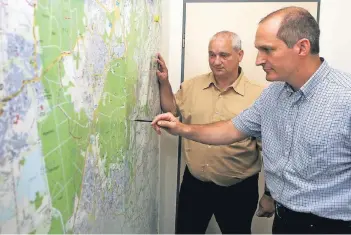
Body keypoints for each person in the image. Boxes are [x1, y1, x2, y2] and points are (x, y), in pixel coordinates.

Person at [152, 7, 351, 235]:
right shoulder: (273, 95)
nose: (258, 60)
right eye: (258, 50)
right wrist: (180, 128)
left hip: (332, 226)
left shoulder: (346, 98)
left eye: (267, 50)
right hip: (284, 220)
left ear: (302, 47)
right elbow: (231, 129)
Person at [156, 31, 269, 234]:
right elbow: (171, 108)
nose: (216, 61)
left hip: (238, 189)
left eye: (223, 55)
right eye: (211, 55)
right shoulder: (192, 86)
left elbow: (271, 151)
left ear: (240, 55)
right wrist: (164, 81)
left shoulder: (259, 95)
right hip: (195, 185)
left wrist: (270, 194)